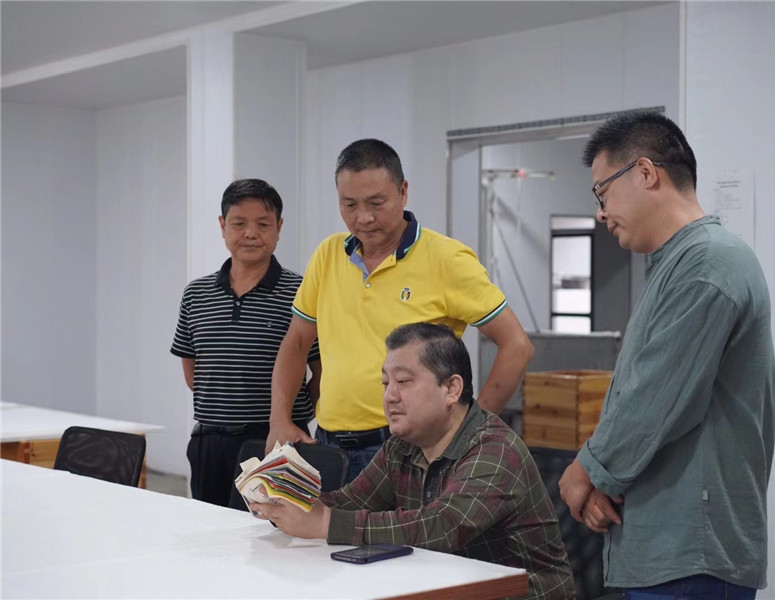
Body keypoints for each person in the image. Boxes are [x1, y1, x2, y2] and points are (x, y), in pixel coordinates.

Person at [558, 111, 775, 599]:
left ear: (645, 172)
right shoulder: (677, 265)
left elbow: (653, 399)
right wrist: (602, 483)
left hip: (692, 553)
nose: (601, 213)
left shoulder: (708, 263)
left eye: (602, 193)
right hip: (666, 546)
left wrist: (585, 472)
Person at [267, 138, 533, 482]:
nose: (364, 217)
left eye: (377, 202)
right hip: (328, 446)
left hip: (407, 450)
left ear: (403, 192)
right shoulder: (328, 255)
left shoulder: (447, 259)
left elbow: (517, 346)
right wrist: (279, 419)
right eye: (349, 204)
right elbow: (297, 342)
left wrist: (468, 433)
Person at [253, 323, 575, 600]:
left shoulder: (495, 448)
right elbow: (351, 501)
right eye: (385, 383)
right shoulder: (402, 446)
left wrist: (325, 523)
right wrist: (287, 503)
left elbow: (442, 528)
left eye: (403, 382)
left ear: (451, 388)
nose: (389, 396)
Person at [171, 179, 321, 506]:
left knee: (275, 530)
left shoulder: (301, 292)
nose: (251, 234)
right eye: (239, 224)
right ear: (222, 225)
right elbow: (192, 371)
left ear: (279, 228)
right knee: (209, 528)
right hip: (210, 441)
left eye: (263, 224)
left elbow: (320, 371)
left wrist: (293, 416)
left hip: (276, 441)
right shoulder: (196, 294)